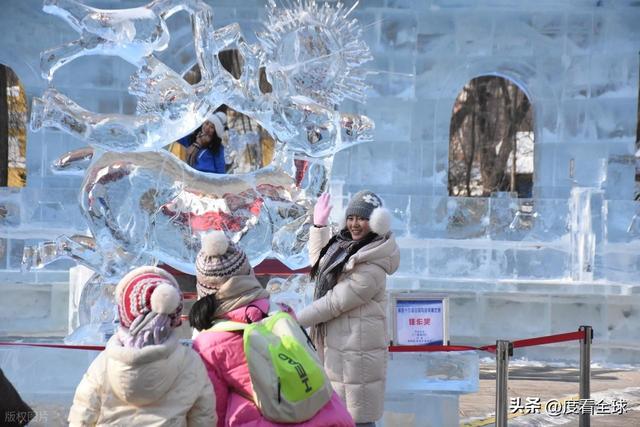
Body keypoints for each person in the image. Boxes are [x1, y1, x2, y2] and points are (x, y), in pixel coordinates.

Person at [189, 230, 354, 427]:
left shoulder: (207, 344)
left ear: (203, 287)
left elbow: (213, 411)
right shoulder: (281, 313)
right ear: (249, 274)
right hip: (333, 418)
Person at [296, 191, 400, 427]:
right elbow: (321, 265)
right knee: (338, 416)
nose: (354, 224)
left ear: (377, 222)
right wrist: (319, 226)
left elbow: (334, 302)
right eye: (351, 217)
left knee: (357, 419)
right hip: (340, 347)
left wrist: (293, 319)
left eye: (362, 218)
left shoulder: (373, 266)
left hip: (357, 354)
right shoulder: (345, 247)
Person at [68, 266, 216, 427]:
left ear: (124, 314)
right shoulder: (190, 363)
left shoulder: (103, 364)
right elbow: (203, 418)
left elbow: (82, 417)